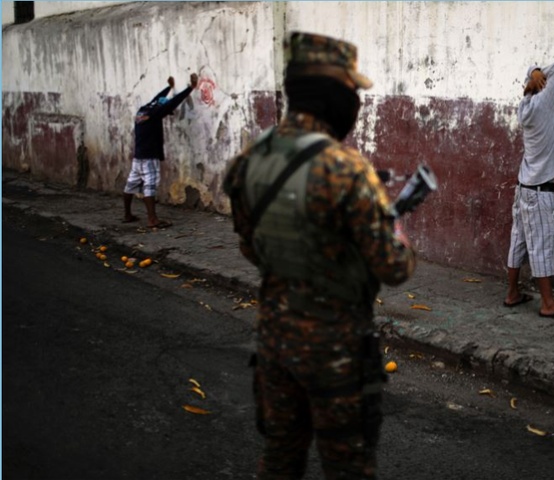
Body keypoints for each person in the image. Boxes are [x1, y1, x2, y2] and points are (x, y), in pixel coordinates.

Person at [223, 32, 416, 479]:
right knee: (347, 466)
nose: (355, 102)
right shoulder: (346, 170)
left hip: (274, 343)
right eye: (352, 91)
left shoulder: (250, 159)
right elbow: (394, 267)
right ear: (333, 95)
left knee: (279, 460)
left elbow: (251, 248)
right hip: (336, 354)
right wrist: (396, 227)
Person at [504, 63, 554, 318]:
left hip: (524, 188)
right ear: (546, 87)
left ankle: (512, 293)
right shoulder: (545, 102)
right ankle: (548, 304)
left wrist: (534, 75)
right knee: (542, 247)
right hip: (540, 192)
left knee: (519, 240)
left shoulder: (527, 104)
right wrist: (539, 71)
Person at [123, 73, 198, 229]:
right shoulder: (156, 113)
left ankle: (127, 214)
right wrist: (190, 88)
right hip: (149, 157)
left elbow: (157, 98)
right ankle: (152, 219)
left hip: (138, 157)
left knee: (131, 184)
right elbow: (173, 103)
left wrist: (168, 88)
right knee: (149, 186)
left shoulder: (143, 110)